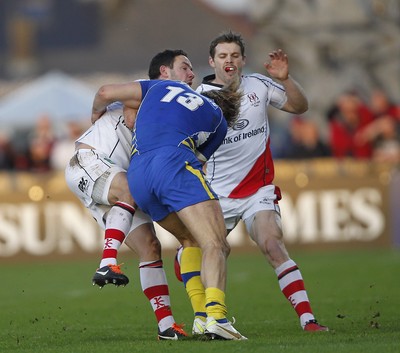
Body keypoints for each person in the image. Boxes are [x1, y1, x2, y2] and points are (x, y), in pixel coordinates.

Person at [176, 30, 329, 333]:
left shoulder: (259, 84)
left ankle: (307, 319)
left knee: (272, 243)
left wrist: (285, 79)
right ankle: (203, 316)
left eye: (234, 55)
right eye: (223, 56)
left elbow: (300, 107)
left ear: (243, 59)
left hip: (257, 190)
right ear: (212, 61)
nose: (229, 61)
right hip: (216, 194)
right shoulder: (199, 98)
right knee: (200, 251)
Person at [90, 76, 247, 340]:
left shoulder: (160, 86)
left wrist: (96, 114)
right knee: (215, 243)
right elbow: (198, 159)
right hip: (172, 162)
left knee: (190, 240)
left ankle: (200, 318)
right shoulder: (219, 119)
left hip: (137, 174)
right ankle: (216, 318)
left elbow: (104, 92)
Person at [65, 49, 195, 340]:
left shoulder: (175, 107)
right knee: (131, 189)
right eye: (184, 67)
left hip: (117, 181)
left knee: (150, 245)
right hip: (91, 161)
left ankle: (166, 326)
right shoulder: (149, 92)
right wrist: (96, 114)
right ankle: (107, 262)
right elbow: (108, 95)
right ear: (165, 72)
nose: (191, 74)